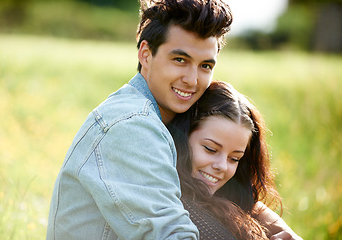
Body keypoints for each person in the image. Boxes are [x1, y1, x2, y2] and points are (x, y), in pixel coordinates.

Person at [47, 0, 233, 239]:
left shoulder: (173, 117)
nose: (192, 80)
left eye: (205, 66)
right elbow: (171, 235)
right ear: (146, 54)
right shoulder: (131, 125)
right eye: (180, 60)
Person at [169, 81, 302, 240]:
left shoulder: (235, 203)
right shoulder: (174, 204)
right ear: (182, 137)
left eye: (234, 158)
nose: (222, 166)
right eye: (211, 149)